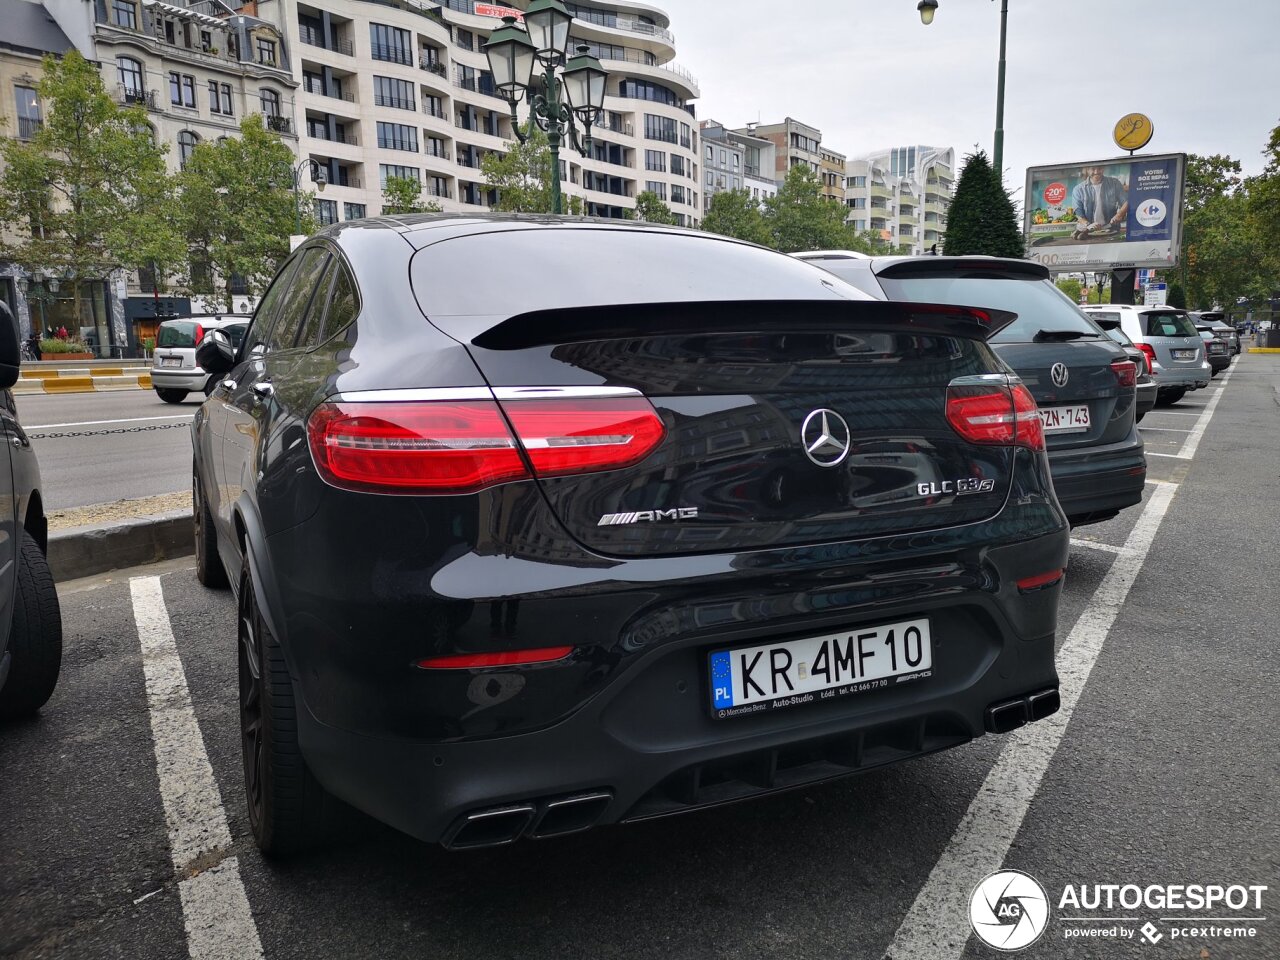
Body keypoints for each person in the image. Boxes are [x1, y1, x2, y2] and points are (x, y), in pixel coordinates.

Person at [1072, 167, 1129, 235]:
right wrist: (1088, 224)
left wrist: (1119, 214)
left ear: (1103, 168)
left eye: (1099, 168)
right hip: (1087, 231)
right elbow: (1078, 212)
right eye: (1093, 169)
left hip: (1111, 230)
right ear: (1087, 170)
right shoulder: (1078, 189)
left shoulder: (1114, 183)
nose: (1096, 172)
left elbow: (1126, 202)